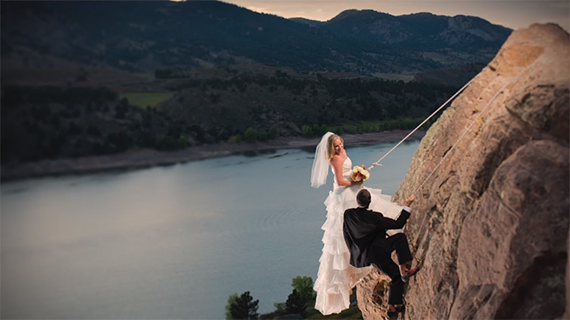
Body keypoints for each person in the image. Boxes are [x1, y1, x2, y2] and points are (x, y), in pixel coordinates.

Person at [310, 132, 410, 315]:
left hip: (354, 187)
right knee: (358, 221)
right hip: (345, 192)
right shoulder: (334, 160)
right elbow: (340, 182)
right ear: (331, 148)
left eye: (340, 144)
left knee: (368, 214)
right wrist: (356, 180)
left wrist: (358, 174)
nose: (340, 147)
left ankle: (376, 244)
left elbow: (347, 174)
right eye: (337, 146)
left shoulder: (343, 153)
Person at [343, 189, 418, 318]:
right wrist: (408, 205)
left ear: (357, 201)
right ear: (369, 201)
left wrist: (354, 252)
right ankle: (404, 270)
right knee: (400, 238)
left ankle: (392, 308)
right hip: (380, 250)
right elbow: (398, 224)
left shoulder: (349, 215)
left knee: (395, 276)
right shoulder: (375, 217)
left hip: (368, 256)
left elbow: (346, 235)